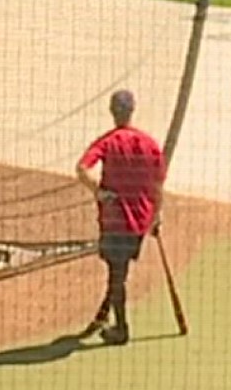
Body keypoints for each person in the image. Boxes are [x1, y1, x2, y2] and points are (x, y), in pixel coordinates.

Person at [75, 90, 164, 348]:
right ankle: (103, 315)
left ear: (112, 111)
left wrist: (98, 192)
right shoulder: (150, 144)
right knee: (119, 271)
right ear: (132, 110)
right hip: (140, 220)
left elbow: (81, 169)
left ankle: (121, 329)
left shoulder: (108, 141)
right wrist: (156, 217)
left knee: (117, 275)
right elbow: (158, 187)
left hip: (115, 220)